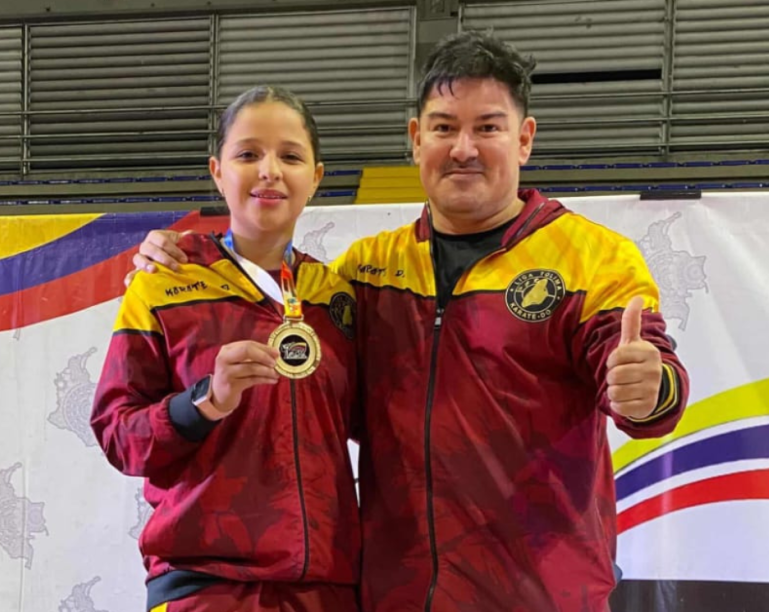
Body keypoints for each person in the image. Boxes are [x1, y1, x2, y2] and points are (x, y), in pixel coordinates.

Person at [126, 31, 690, 612]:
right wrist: (183, 257)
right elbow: (273, 308)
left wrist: (650, 389)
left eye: (488, 128)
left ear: (524, 140)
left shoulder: (593, 257)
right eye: (444, 127)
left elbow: (646, 375)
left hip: (541, 595)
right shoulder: (365, 272)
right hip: (393, 597)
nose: (464, 148)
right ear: (416, 141)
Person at [92, 85, 361, 612]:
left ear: (316, 176)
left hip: (325, 586)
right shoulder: (163, 284)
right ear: (218, 171)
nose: (269, 170)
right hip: (204, 583)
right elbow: (117, 434)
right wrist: (203, 403)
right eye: (248, 154)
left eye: (290, 156)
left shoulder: (340, 299)